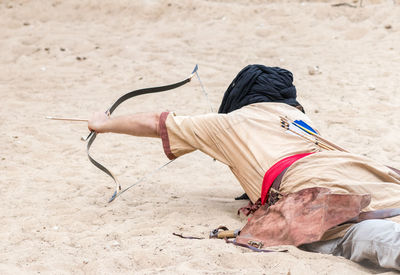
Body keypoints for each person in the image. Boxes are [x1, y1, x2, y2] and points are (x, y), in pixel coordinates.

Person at [88, 65, 400, 270]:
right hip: (370, 176)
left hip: (318, 189)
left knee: (346, 234)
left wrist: (103, 123)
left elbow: (156, 122)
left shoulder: (229, 122)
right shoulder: (298, 118)